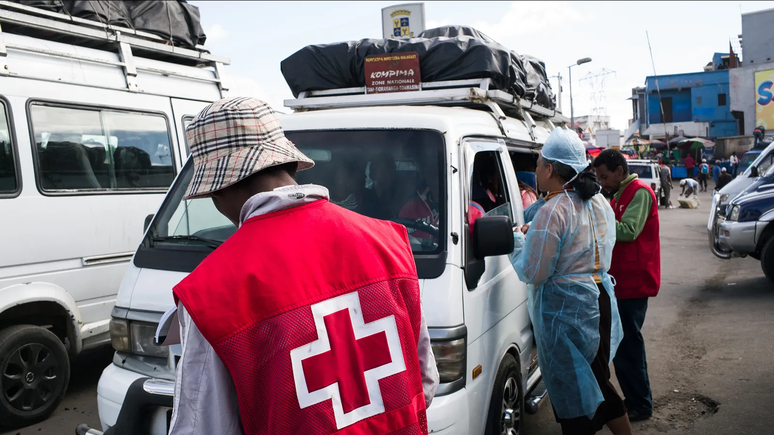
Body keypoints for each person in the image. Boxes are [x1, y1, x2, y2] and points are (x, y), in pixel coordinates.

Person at [162, 97, 439, 435]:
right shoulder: (388, 242)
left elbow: (201, 428)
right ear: (291, 166)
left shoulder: (210, 293)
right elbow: (424, 381)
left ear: (216, 190)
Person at [510, 129, 631, 435]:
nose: (535, 169)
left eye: (538, 163)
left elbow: (534, 271)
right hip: (599, 300)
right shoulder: (596, 201)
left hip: (568, 311)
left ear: (550, 168)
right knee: (598, 379)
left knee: (575, 390)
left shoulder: (553, 212)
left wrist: (517, 243)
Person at [593, 149, 660, 423]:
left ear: (620, 171)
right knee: (621, 346)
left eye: (605, 176)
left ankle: (640, 405)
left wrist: (598, 221)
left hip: (635, 281)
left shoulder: (640, 192)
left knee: (629, 345)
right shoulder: (619, 193)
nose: (602, 182)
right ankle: (634, 400)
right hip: (621, 281)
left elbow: (629, 230)